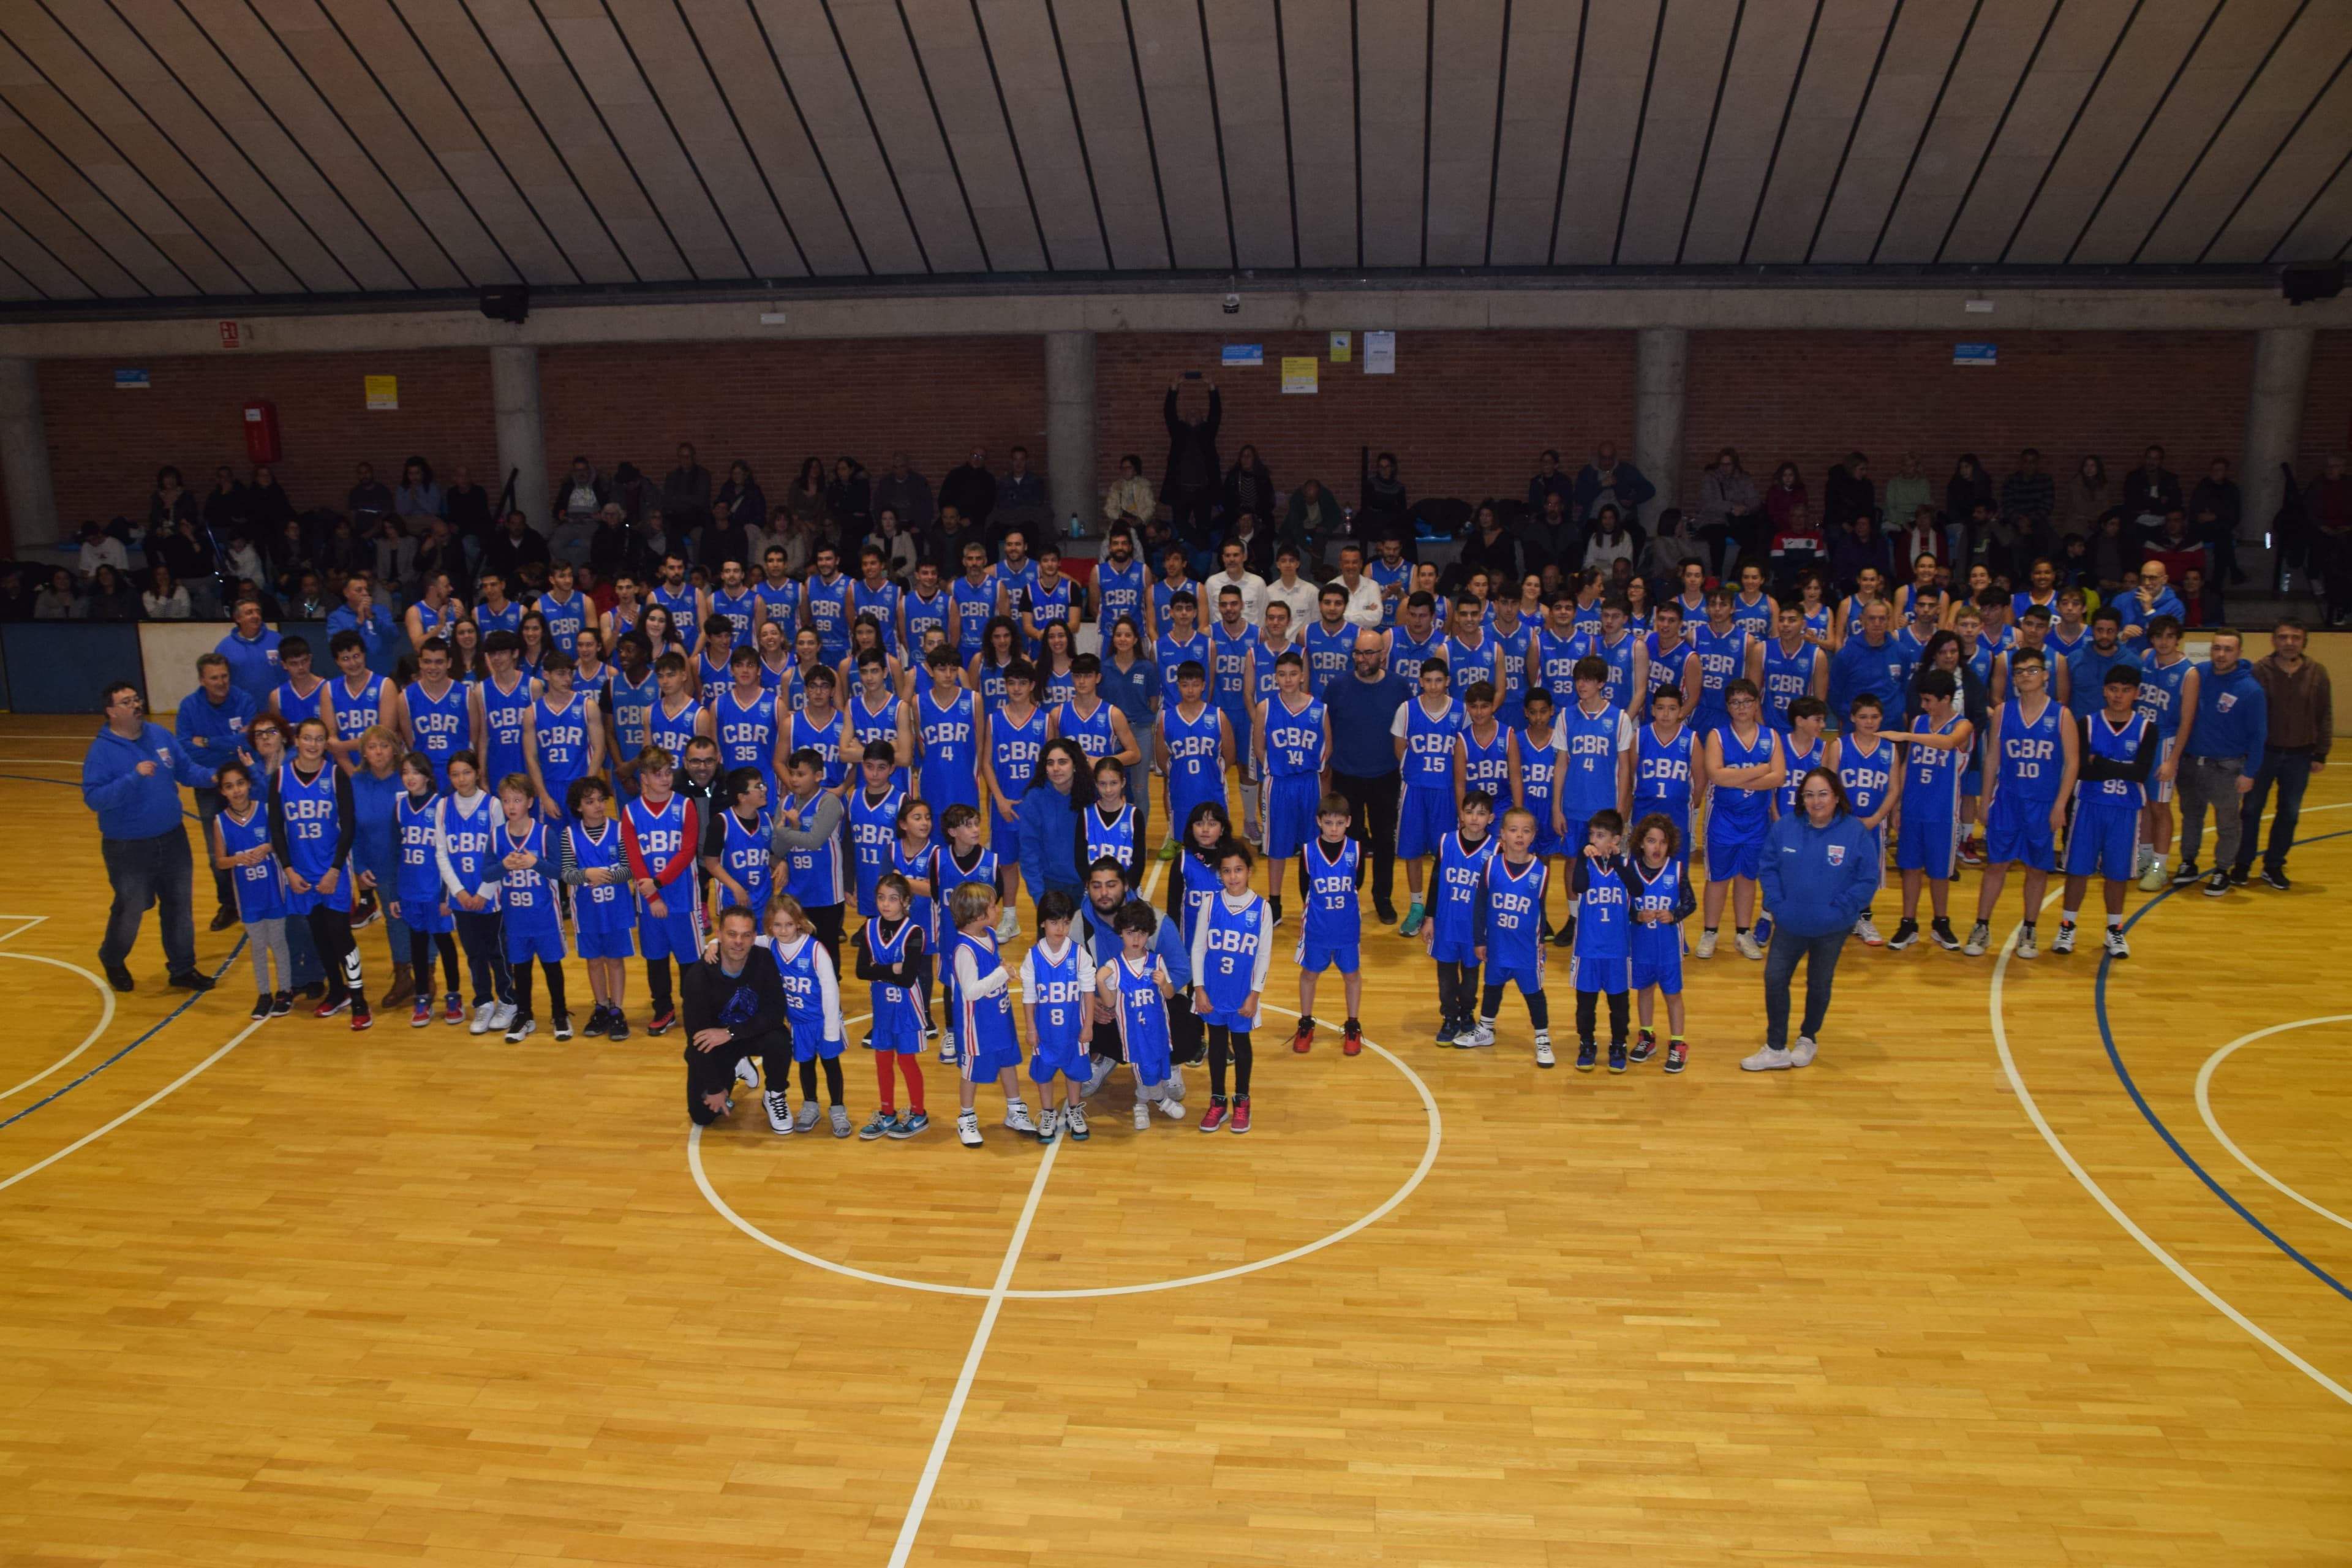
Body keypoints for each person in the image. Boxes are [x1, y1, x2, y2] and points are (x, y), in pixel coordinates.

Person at [1743, 768, 1881, 1071]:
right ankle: (1776, 1046)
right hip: (1790, 924)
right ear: (1801, 798)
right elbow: (1768, 867)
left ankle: (1808, 1038)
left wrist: (1843, 909)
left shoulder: (1854, 832)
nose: (1816, 801)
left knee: (1819, 983)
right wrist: (1778, 904)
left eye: (1823, 794)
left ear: (1836, 797)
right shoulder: (1785, 828)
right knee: (1775, 978)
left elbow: (1868, 877)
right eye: (1809, 795)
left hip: (1832, 928)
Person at [1961, 649, 2078, 959]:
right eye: (2020, 671)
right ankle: (1982, 927)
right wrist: (1985, 801)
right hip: (2008, 801)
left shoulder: (2061, 715)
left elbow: (2073, 763)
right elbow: (1992, 760)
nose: (2026, 675)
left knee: (2037, 869)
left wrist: (2060, 806)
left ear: (2046, 675)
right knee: (1996, 865)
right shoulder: (2003, 712)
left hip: (2042, 803)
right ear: (2013, 678)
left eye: (2032, 670)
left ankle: (2029, 929)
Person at [271, 717, 372, 1028]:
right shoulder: (279, 778)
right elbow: (276, 828)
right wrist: (288, 869)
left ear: (325, 743)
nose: (313, 745)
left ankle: (359, 999)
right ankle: (337, 990)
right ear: (297, 740)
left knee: (341, 935)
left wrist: (335, 869)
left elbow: (349, 825)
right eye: (307, 738)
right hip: (301, 873)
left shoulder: (336, 774)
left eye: (319, 739)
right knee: (320, 936)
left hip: (332, 871)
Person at [2055, 668, 2160, 957]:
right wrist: (2117, 767)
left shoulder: (2146, 729)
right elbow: (2082, 771)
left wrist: (2101, 763)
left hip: (2126, 810)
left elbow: (2140, 772)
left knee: (2117, 874)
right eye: (2113, 689)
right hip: (2088, 806)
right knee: (2077, 870)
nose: (2119, 695)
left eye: (2126, 690)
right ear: (2104, 691)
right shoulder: (2086, 724)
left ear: (2137, 694)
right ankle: (2067, 926)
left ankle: (2114, 930)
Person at [2230, 619, 2331, 891]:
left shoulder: (2317, 673)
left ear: (2304, 642)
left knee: (2289, 812)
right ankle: (2242, 864)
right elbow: (2246, 714)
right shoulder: (2258, 671)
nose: (2289, 642)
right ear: (2273, 641)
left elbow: (2324, 714)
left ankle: (2273, 865)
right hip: (2263, 754)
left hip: (2300, 755)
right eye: (2283, 637)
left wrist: (2321, 752)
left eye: (2295, 637)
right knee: (2250, 811)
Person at [2168, 626, 2265, 897]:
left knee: (2227, 823)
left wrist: (2250, 772)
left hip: (2227, 768)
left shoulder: (2250, 690)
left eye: (2228, 649)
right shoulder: (2197, 676)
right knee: (2191, 817)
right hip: (2191, 763)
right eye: (2217, 648)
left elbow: (2259, 736)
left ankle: (2223, 870)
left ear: (2240, 652)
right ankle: (2188, 862)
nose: (2221, 655)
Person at [1885, 668, 1973, 951]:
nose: (1924, 706)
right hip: (1913, 808)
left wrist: (1906, 737)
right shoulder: (1919, 723)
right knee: (1910, 868)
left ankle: (1940, 923)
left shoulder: (1963, 726)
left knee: (1939, 872)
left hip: (1943, 813)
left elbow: (1947, 744)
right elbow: (1907, 764)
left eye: (1929, 700)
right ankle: (1908, 924)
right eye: (1922, 700)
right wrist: (1897, 804)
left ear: (1946, 699)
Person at [1697, 680, 1782, 960]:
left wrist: (1736, 778)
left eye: (1747, 701)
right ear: (1728, 707)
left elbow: (1779, 777)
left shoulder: (1771, 736)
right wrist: (1760, 770)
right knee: (1718, 877)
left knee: (1748, 877)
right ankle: (1710, 932)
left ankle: (1743, 933)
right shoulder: (1717, 736)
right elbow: (1716, 776)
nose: (1742, 707)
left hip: (1757, 820)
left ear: (1757, 703)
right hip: (1722, 818)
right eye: (1736, 703)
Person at [679, 905, 785, 1127]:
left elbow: (775, 1013)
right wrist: (716, 1088)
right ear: (718, 935)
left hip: (747, 1033)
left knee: (780, 1039)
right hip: (717, 1044)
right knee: (702, 1116)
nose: (739, 942)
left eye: (746, 935)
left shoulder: (764, 959)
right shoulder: (698, 978)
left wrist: (732, 1032)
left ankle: (774, 1095)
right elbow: (696, 1039)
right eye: (732, 934)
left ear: (754, 937)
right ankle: (738, 1066)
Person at [1191, 841, 1271, 1134]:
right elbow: (1198, 947)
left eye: (1238, 870)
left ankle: (1243, 1101)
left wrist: (1255, 995)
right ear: (1220, 874)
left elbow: (1263, 955)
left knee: (1241, 1044)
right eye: (1227, 871)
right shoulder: (1210, 904)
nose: (1233, 876)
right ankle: (1217, 1101)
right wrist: (1199, 989)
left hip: (1241, 994)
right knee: (1216, 1044)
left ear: (1249, 871)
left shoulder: (1262, 909)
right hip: (1213, 990)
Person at [1393, 660, 1466, 937]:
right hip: (1415, 789)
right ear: (1420, 682)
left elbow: (1463, 750)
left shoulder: (1461, 711)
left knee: (1444, 852)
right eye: (1428, 680)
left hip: (1447, 791)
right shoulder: (1407, 710)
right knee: (1411, 850)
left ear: (1447, 681)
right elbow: (1400, 747)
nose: (1433, 686)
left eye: (1439, 680)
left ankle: (1441, 907)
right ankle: (1417, 906)